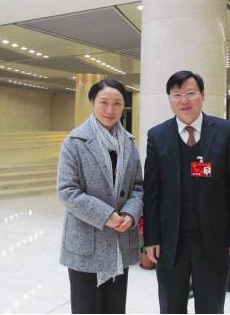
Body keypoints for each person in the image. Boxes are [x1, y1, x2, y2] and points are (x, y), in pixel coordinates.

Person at [143, 70, 230, 314]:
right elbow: (151, 193)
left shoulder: (226, 132)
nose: (184, 100)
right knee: (170, 307)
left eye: (190, 93)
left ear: (202, 95)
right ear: (169, 99)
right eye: (176, 95)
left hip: (214, 240)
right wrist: (151, 238)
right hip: (171, 242)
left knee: (211, 307)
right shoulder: (157, 136)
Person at [57, 79, 143, 314]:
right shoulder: (75, 142)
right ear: (93, 102)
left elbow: (138, 187)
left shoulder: (129, 143)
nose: (110, 110)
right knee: (86, 308)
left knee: (115, 308)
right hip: (86, 243)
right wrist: (106, 215)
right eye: (104, 102)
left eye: (117, 103)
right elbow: (67, 190)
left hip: (119, 242)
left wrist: (130, 214)